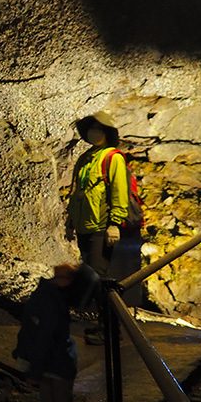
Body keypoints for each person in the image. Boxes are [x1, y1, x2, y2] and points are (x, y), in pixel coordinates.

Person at [12, 262, 98, 402]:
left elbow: (43, 337)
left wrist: (33, 369)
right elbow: (35, 330)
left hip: (58, 363)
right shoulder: (52, 296)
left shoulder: (51, 300)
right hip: (56, 360)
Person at [64, 111, 145, 322]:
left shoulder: (113, 157)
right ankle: (98, 318)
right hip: (85, 226)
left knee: (101, 277)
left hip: (101, 226)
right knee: (91, 273)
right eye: (91, 128)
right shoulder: (86, 158)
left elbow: (119, 192)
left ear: (107, 132)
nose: (93, 133)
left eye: (98, 129)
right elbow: (77, 192)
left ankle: (108, 327)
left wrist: (114, 224)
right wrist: (71, 221)